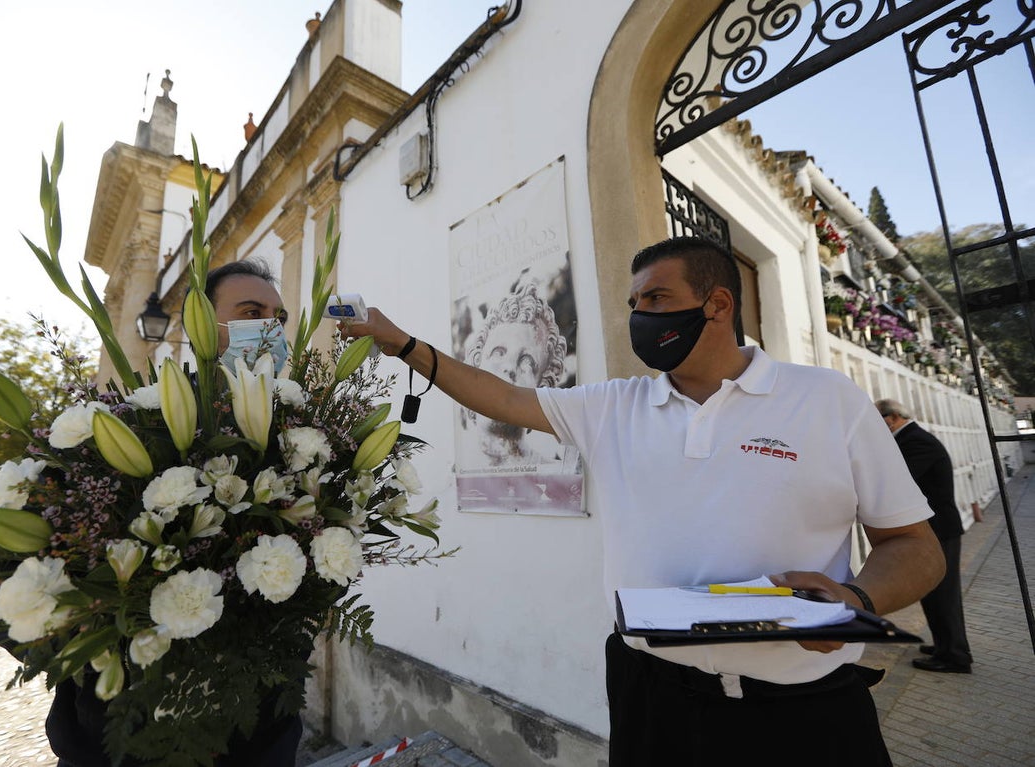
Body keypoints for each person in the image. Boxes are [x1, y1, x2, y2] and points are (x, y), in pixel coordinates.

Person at [341, 236, 945, 766]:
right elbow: (499, 397)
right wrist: (402, 344)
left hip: (802, 712)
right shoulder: (613, 406)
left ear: (717, 305)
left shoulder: (826, 400)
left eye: (655, 300)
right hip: (653, 699)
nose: (639, 316)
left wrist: (855, 601)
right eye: (633, 305)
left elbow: (917, 549)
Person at [0, 259, 302, 767]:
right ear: (200, 324)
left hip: (257, 739)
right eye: (251, 312)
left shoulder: (297, 436)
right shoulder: (127, 426)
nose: (269, 328)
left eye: (278, 316)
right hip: (119, 740)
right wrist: (110, 639)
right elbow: (13, 590)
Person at [877, 398, 973, 674]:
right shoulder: (909, 439)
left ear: (893, 418)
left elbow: (902, 480)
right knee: (931, 591)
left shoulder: (917, 441)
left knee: (943, 593)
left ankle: (955, 655)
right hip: (934, 528)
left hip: (940, 529)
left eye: (878, 420)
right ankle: (944, 645)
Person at [458, 281, 568, 469]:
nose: (509, 367)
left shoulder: (553, 472)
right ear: (476, 363)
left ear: (542, 385)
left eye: (527, 361)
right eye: (498, 352)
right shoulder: (445, 481)